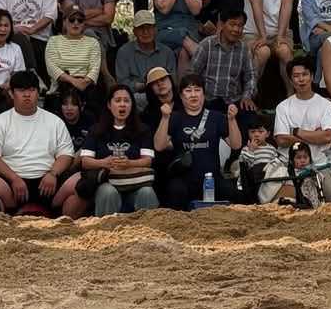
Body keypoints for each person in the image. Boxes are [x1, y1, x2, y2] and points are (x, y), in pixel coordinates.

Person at [0, 71, 82, 217]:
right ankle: (5, 220)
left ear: (38, 92)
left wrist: (53, 174)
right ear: (11, 93)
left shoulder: (54, 121)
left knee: (82, 182)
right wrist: (14, 178)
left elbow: (66, 154)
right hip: (11, 183)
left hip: (49, 182)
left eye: (31, 90)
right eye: (21, 90)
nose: (27, 95)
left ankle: (64, 223)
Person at [153, 74, 241, 209]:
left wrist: (232, 120)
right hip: (183, 179)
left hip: (211, 178)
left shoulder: (216, 117)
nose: (193, 95)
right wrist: (165, 118)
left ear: (204, 94)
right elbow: (159, 146)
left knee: (229, 190)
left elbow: (236, 144)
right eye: (188, 91)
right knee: (174, 191)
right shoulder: (175, 117)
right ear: (181, 96)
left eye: (197, 90)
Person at [81, 84, 160, 216]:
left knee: (147, 192)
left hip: (135, 184)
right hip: (108, 183)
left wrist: (129, 163)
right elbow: (85, 162)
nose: (122, 105)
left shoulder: (143, 130)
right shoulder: (96, 129)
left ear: (132, 105)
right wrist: (104, 162)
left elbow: (148, 161)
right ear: (109, 105)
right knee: (108, 192)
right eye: (117, 101)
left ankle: (148, 232)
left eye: (126, 101)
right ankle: (106, 233)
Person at [273, 60, 331, 202]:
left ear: (312, 76)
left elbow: (328, 136)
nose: (301, 79)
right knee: (287, 202)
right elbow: (281, 140)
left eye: (305, 74)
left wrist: (295, 131)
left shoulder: (326, 105)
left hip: (318, 163)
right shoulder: (283, 107)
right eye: (296, 76)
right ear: (291, 80)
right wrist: (315, 136)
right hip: (289, 164)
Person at [58, 0, 118, 80]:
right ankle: (105, 75)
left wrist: (82, 18)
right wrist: (98, 10)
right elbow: (71, 14)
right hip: (73, 32)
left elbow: (108, 18)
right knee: (88, 35)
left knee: (90, 35)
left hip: (101, 35)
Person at [188, 7, 257, 119]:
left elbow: (251, 76)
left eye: (240, 26)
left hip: (234, 100)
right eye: (232, 24)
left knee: (251, 118)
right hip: (208, 100)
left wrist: (247, 96)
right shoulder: (207, 45)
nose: (236, 29)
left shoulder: (244, 48)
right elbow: (192, 74)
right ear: (222, 24)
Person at [44, 4, 102, 108]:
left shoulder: (93, 42)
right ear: (64, 21)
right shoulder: (53, 41)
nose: (76, 23)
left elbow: (95, 69)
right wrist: (73, 81)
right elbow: (52, 68)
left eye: (80, 20)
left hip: (86, 88)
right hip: (60, 88)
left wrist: (84, 82)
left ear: (84, 23)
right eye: (72, 19)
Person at [115, 10, 176, 105]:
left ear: (155, 29)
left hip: (162, 95)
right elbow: (122, 83)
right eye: (141, 28)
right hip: (136, 96)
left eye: (149, 28)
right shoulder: (124, 52)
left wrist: (157, 87)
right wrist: (142, 86)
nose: (145, 32)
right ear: (134, 31)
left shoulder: (167, 52)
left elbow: (173, 80)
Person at [237, 114, 279, 202]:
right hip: (252, 183)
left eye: (260, 132)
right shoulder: (246, 149)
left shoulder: (271, 149)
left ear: (267, 134)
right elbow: (244, 167)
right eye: (252, 132)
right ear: (248, 133)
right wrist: (251, 151)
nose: (256, 135)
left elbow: (276, 164)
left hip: (267, 181)